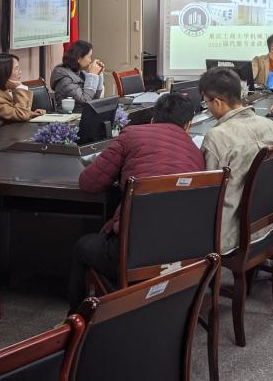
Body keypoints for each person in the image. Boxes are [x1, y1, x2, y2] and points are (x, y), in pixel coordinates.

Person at [68, 92, 205, 309]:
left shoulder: (131, 135)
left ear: (152, 119)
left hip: (133, 253)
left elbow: (89, 183)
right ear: (188, 126)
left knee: (83, 246)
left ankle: (78, 317)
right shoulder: (196, 153)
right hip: (182, 252)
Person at [198, 67, 273, 253]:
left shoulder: (217, 137)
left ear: (218, 102)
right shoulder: (272, 127)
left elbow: (207, 195)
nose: (208, 108)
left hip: (229, 236)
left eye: (206, 102)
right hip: (269, 224)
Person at [0, 53, 46, 131]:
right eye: (16, 69)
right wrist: (19, 87)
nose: (20, 72)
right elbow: (21, 115)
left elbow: (14, 112)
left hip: (7, 131)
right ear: (4, 73)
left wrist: (34, 114)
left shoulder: (4, 85)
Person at [50, 39, 105, 108]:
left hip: (81, 113)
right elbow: (85, 101)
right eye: (89, 57)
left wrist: (98, 74)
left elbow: (95, 98)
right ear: (79, 58)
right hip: (70, 114)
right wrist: (92, 75)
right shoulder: (65, 80)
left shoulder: (80, 73)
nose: (90, 61)